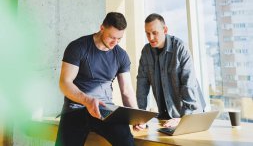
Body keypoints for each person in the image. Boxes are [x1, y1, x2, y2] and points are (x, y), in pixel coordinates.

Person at [55, 12, 142, 146]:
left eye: (119, 38)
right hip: (76, 108)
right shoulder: (78, 47)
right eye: (112, 37)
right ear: (102, 28)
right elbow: (64, 83)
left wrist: (137, 117)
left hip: (105, 110)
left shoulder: (121, 55)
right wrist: (87, 101)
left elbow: (126, 91)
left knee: (126, 141)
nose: (115, 42)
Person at [136, 13, 206, 128]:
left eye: (155, 33)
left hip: (191, 114)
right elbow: (142, 85)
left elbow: (188, 84)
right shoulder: (146, 52)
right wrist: (141, 117)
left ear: (165, 30)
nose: (151, 38)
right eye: (147, 34)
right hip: (166, 116)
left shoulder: (180, 48)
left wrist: (183, 119)